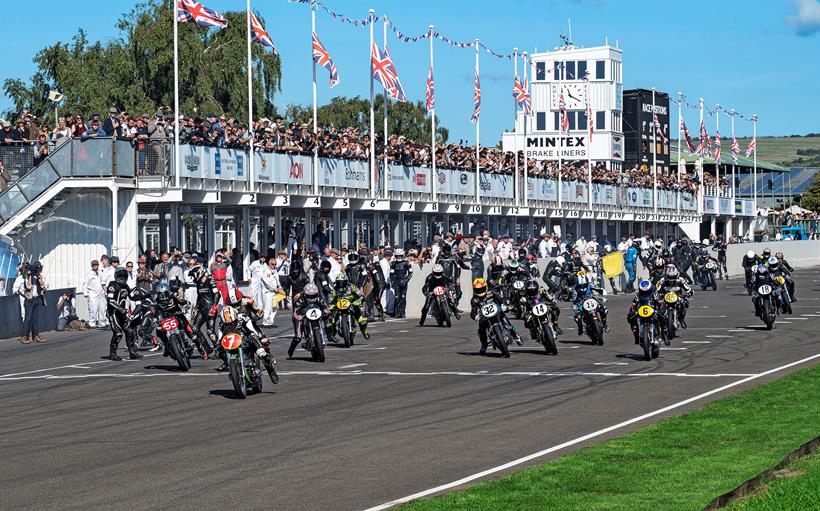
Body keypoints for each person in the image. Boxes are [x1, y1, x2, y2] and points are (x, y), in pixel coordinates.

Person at [221, 294, 278, 383]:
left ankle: (270, 370)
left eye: (237, 304)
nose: (236, 306)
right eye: (233, 305)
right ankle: (231, 366)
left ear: (241, 299)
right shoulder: (226, 309)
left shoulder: (248, 301)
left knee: (263, 341)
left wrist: (256, 317)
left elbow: (259, 311)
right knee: (220, 347)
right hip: (233, 330)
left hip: (248, 324)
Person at [468, 277, 521, 355]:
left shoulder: (492, 292)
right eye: (477, 289)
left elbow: (501, 299)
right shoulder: (474, 299)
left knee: (507, 322)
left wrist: (503, 304)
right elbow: (473, 312)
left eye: (481, 288)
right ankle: (484, 345)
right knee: (481, 329)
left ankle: (516, 336)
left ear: (485, 286)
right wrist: (476, 316)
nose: (480, 291)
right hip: (485, 316)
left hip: (497, 311)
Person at [105, 268, 142, 360]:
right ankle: (112, 354)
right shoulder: (112, 285)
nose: (122, 278)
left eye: (124, 276)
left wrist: (140, 297)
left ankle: (132, 353)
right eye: (120, 276)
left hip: (122, 313)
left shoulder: (126, 286)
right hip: (113, 313)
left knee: (130, 331)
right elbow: (110, 300)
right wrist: (121, 309)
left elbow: (133, 296)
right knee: (118, 333)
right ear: (116, 276)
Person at [189, 258, 218, 356]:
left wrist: (214, 307)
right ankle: (207, 347)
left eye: (193, 275)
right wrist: (196, 307)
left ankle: (218, 350)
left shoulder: (210, 280)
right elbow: (199, 296)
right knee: (195, 328)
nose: (193, 278)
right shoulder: (198, 283)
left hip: (210, 308)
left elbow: (217, 294)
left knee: (210, 331)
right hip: (201, 309)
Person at [626, 280, 664, 345]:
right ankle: (636, 336)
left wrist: (661, 309)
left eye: (647, 291)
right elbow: (633, 305)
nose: (645, 293)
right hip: (641, 311)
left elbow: (660, 303)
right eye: (643, 291)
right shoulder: (638, 295)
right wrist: (632, 311)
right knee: (631, 318)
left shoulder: (654, 293)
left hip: (652, 310)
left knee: (663, 316)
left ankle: (664, 334)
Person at [20, 262, 47, 344]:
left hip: (37, 299)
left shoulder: (39, 276)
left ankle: (36, 336)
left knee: (35, 319)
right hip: (29, 299)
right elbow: (28, 286)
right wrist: (31, 276)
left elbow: (43, 287)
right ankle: (24, 336)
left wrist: (38, 278)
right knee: (28, 319)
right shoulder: (26, 276)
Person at [82, 260, 106, 329]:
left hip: (101, 293)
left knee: (102, 309)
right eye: (94, 265)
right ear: (92, 266)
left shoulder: (100, 272)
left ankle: (102, 323)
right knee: (93, 309)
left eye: (96, 265)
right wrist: (85, 293)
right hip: (93, 293)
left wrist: (105, 290)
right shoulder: (89, 274)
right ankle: (92, 323)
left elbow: (103, 281)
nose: (95, 266)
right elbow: (85, 284)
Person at [390, 248, 413, 318]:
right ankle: (397, 313)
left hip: (404, 281)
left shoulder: (406, 263)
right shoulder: (393, 263)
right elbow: (391, 274)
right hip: (397, 281)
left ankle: (403, 313)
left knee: (403, 297)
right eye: (397, 256)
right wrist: (392, 282)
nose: (399, 257)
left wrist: (406, 280)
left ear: (402, 255)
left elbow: (411, 273)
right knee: (397, 298)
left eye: (400, 256)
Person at [259, 257, 281, 327]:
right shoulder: (266, 271)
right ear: (269, 264)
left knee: (274, 308)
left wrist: (279, 287)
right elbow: (267, 283)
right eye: (272, 264)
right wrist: (275, 289)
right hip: (267, 292)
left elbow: (277, 281)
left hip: (274, 293)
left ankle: (270, 321)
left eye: (275, 264)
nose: (274, 265)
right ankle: (265, 322)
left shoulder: (275, 271)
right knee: (268, 307)